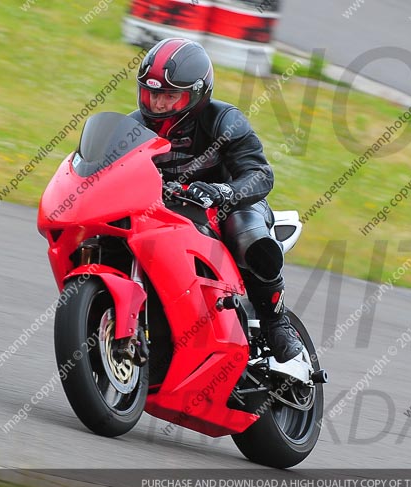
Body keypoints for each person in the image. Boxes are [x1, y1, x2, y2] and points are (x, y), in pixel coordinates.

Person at [130, 37, 303, 363]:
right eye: (153, 94)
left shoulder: (224, 120)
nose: (159, 105)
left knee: (247, 235)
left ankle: (276, 322)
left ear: (196, 95)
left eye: (170, 95)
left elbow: (260, 174)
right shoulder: (132, 128)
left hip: (230, 206)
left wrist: (223, 192)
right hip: (166, 211)